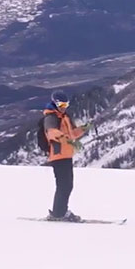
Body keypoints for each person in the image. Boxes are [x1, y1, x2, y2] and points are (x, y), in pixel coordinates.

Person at [43, 90, 90, 222]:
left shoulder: (64, 117)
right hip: (58, 155)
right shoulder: (51, 118)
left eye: (66, 105)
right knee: (64, 185)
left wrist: (84, 128)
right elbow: (52, 132)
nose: (64, 108)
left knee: (67, 185)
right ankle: (59, 213)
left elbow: (72, 134)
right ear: (55, 104)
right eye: (62, 105)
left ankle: (60, 212)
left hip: (66, 154)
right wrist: (66, 140)